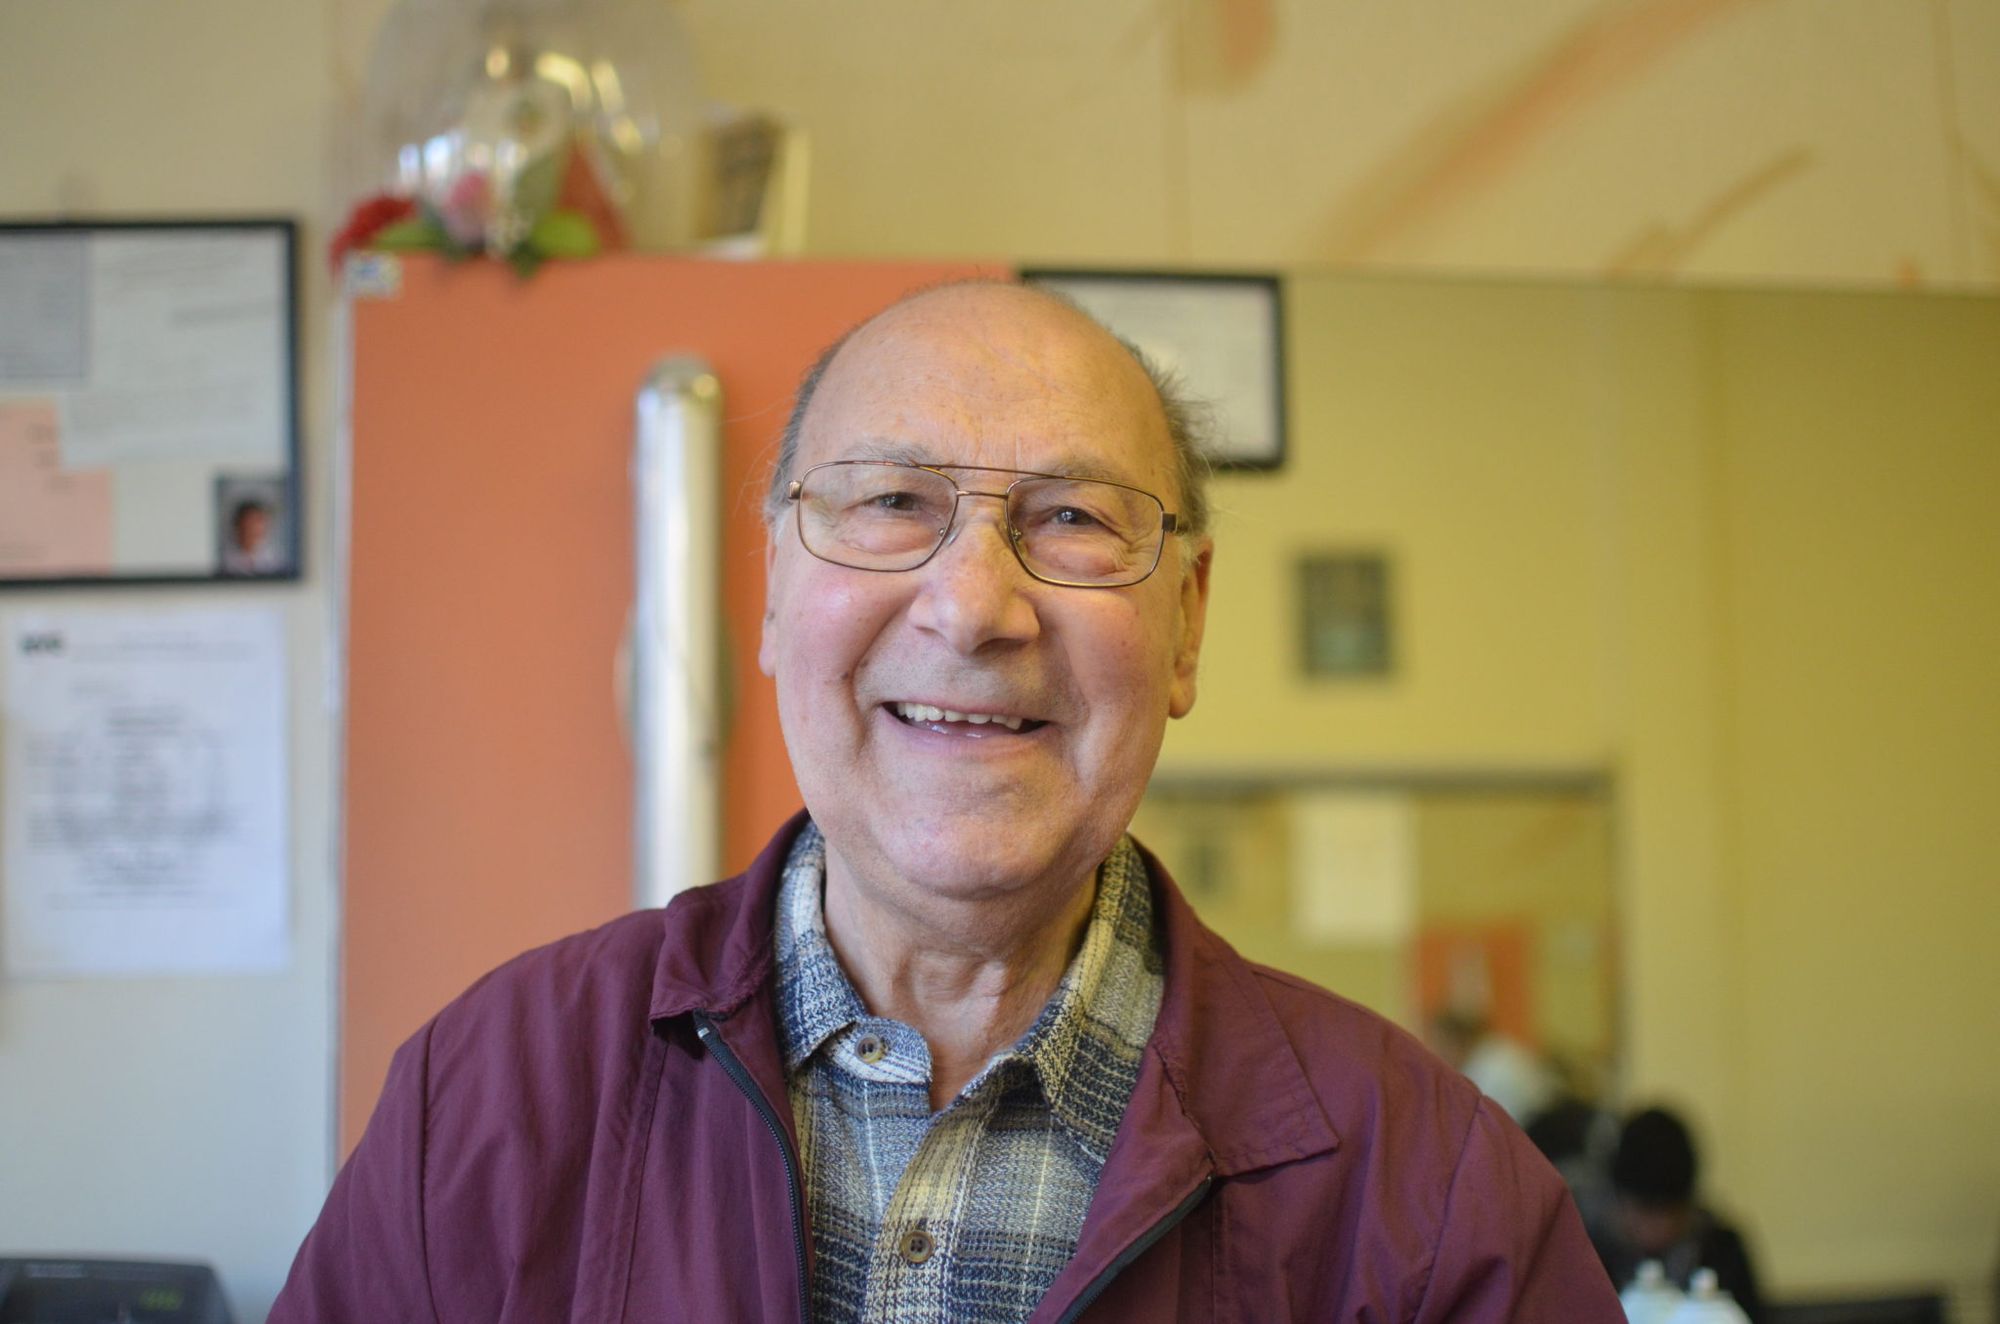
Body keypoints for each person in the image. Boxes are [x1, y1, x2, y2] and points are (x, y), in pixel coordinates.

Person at [270, 281, 1621, 1321]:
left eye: (1075, 520)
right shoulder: (491, 1099)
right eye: (893, 502)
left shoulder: (1436, 1200)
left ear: (1188, 626)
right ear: (777, 593)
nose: (975, 606)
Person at [1598, 1106, 1766, 1322]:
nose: (1662, 1227)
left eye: (1672, 1212)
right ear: (1619, 1200)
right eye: (1648, 1211)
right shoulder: (1594, 1254)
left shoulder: (1722, 1251)